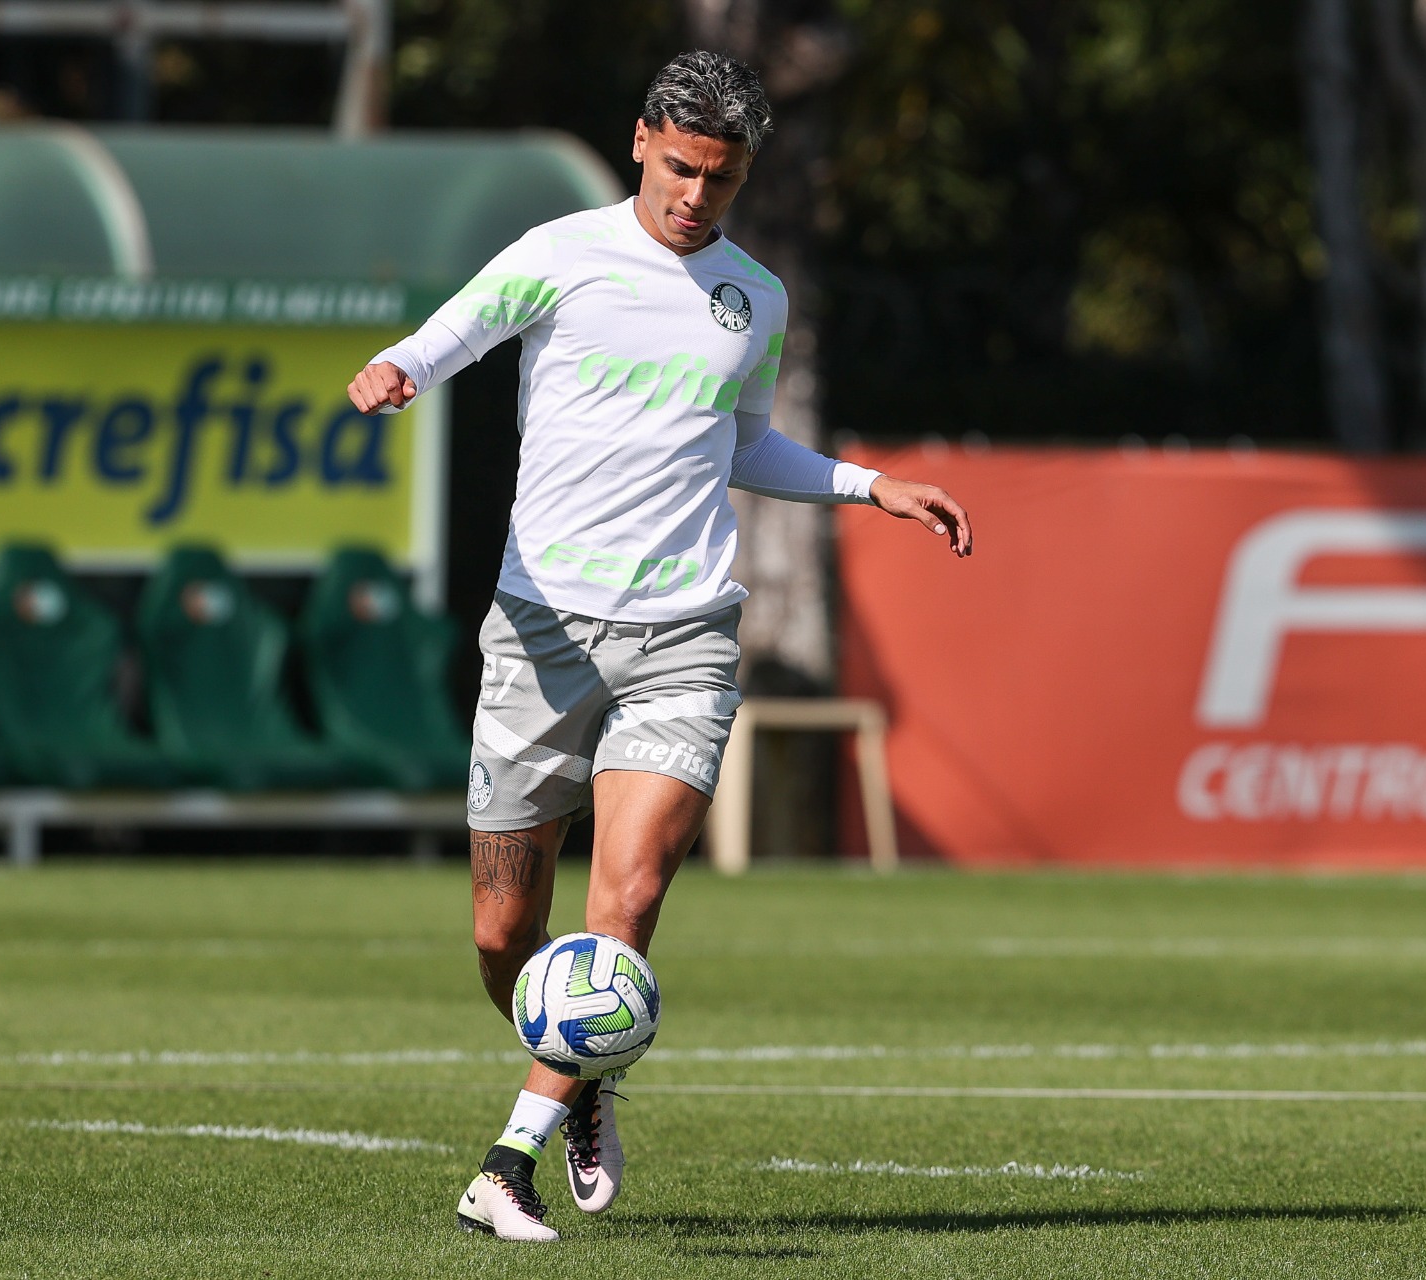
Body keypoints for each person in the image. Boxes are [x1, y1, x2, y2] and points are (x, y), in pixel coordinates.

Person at [347, 49, 973, 1243]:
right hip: (538, 629)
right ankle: (589, 1068)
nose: (695, 196)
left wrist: (868, 483)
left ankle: (507, 1162)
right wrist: (396, 370)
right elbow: (454, 334)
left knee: (623, 901)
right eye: (681, 168)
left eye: (721, 181)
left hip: (684, 631)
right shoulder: (559, 253)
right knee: (500, 934)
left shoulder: (754, 298)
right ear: (642, 139)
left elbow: (743, 446)